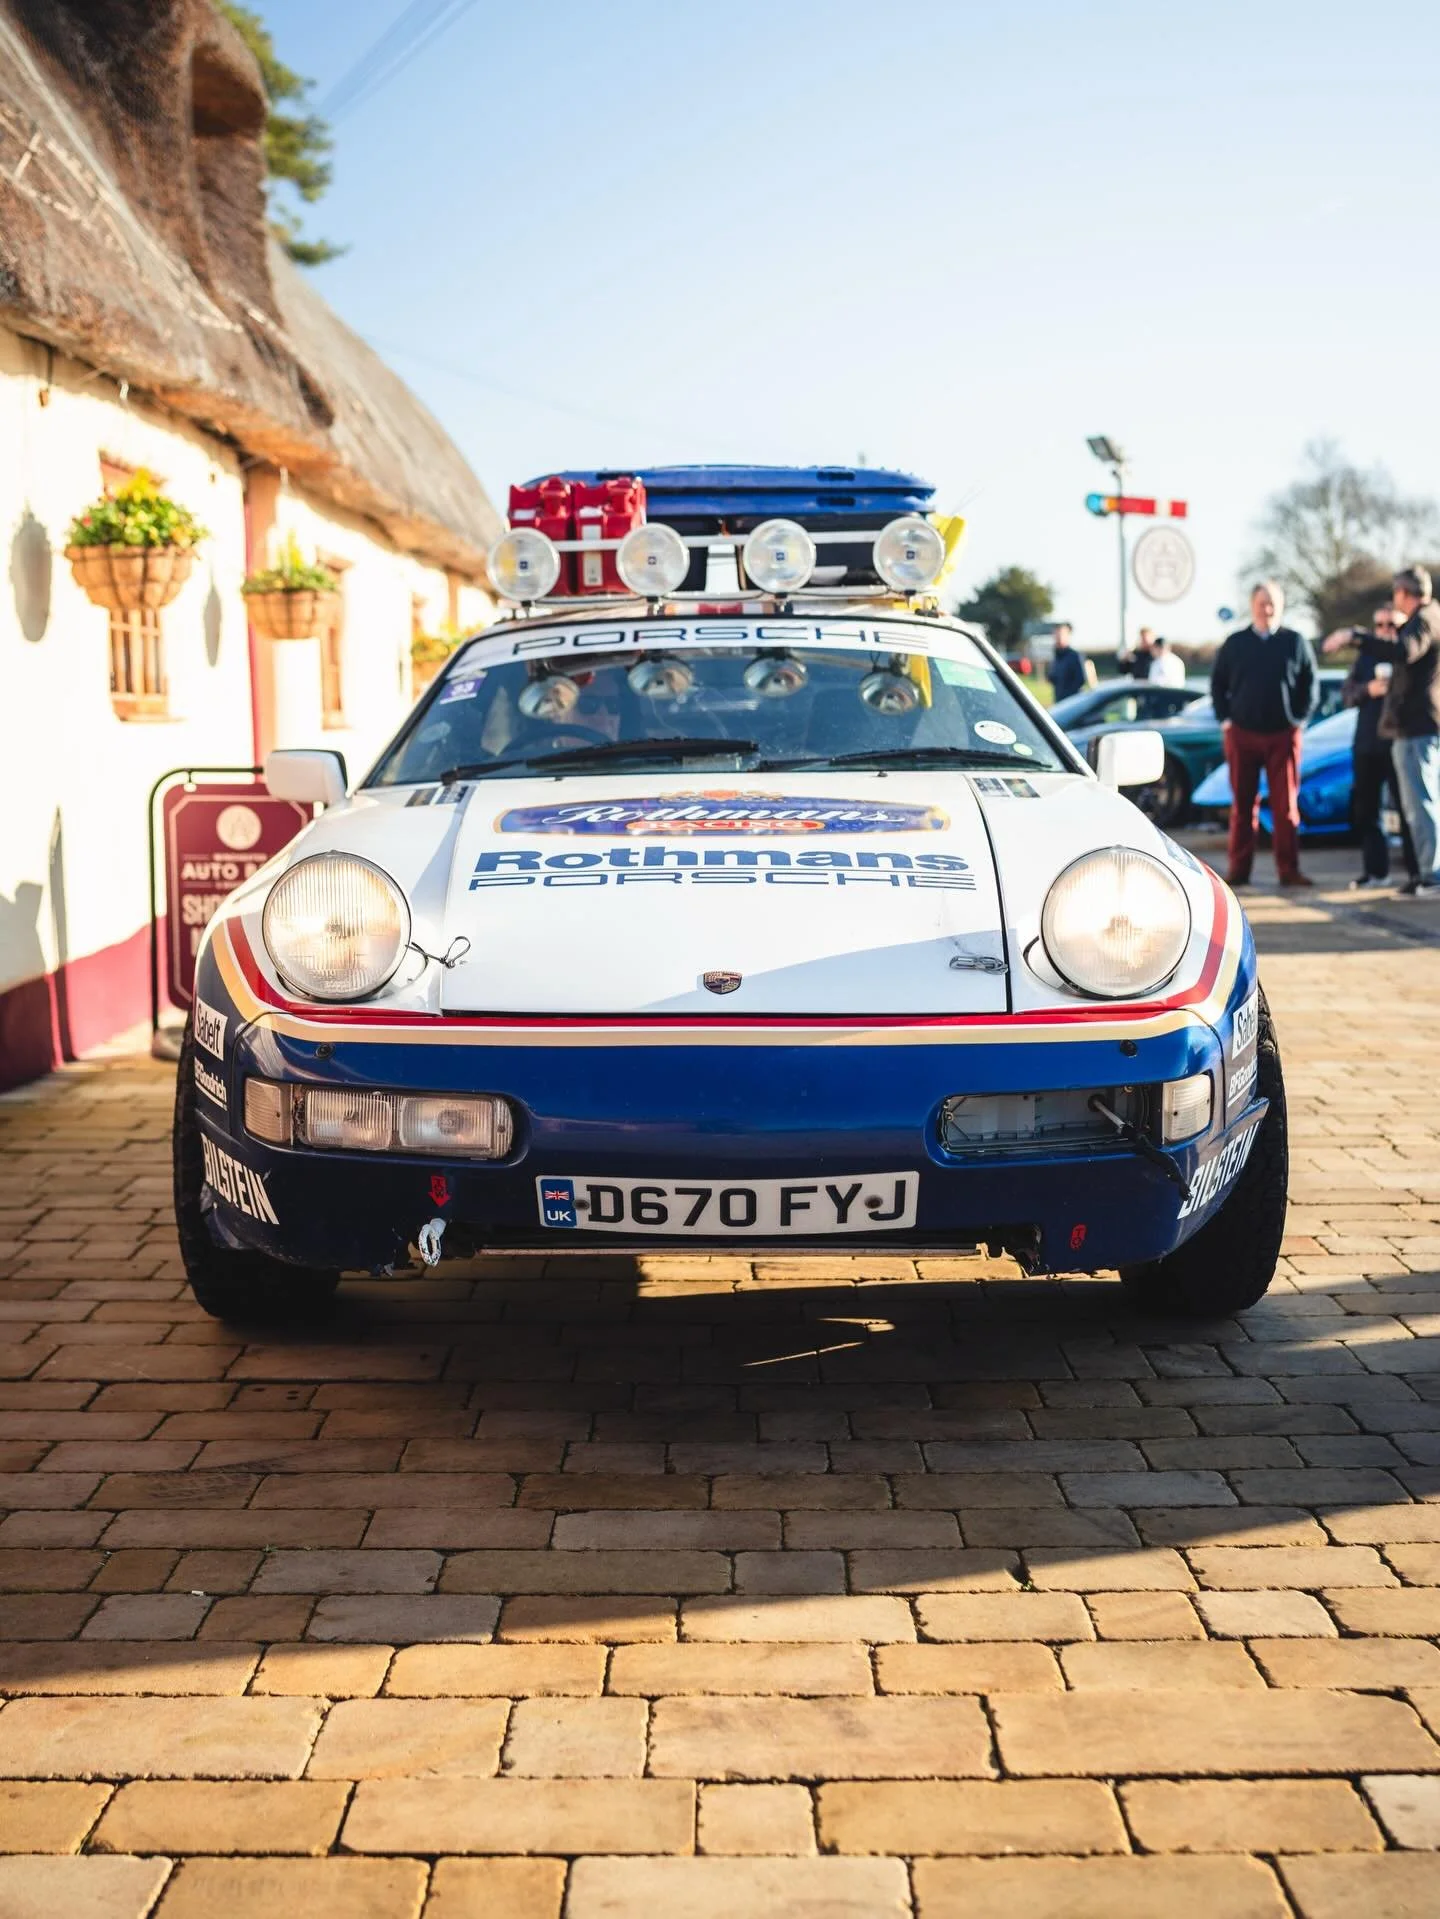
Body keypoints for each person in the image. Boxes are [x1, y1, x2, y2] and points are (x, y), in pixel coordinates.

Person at [1327, 567, 1440, 897]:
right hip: (1408, 728)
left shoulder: (1425, 618)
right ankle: (1423, 874)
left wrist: (1355, 637)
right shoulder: (1428, 617)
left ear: (1405, 594)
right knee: (1412, 804)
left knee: (1421, 802)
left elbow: (1404, 651)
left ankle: (1432, 874)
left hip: (1418, 726)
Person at [1211, 581, 1317, 887]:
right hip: (1242, 734)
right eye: (1262, 603)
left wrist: (1299, 720)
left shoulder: (1295, 642)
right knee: (1242, 807)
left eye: (1272, 603)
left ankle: (1289, 871)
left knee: (1286, 808)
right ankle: (1239, 871)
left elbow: (1310, 684)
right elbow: (1218, 684)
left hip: (1283, 735)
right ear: (1252, 605)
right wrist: (1226, 720)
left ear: (1281, 606)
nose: (1267, 609)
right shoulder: (1235, 643)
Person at [1323, 607, 1420, 891]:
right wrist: (1369, 690)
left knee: (1408, 810)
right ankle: (1376, 873)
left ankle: (1419, 875)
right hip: (1366, 743)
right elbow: (1347, 694)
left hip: (1400, 741)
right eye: (1379, 624)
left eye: (1392, 624)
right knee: (1367, 811)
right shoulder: (1366, 656)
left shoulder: (1410, 656)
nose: (1385, 629)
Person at [1046, 622, 1087, 701]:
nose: (1058, 637)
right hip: (1059, 701)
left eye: (1060, 635)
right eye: (1056, 635)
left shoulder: (1075, 656)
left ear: (1067, 636)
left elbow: (1081, 680)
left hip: (1072, 703)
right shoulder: (1056, 656)